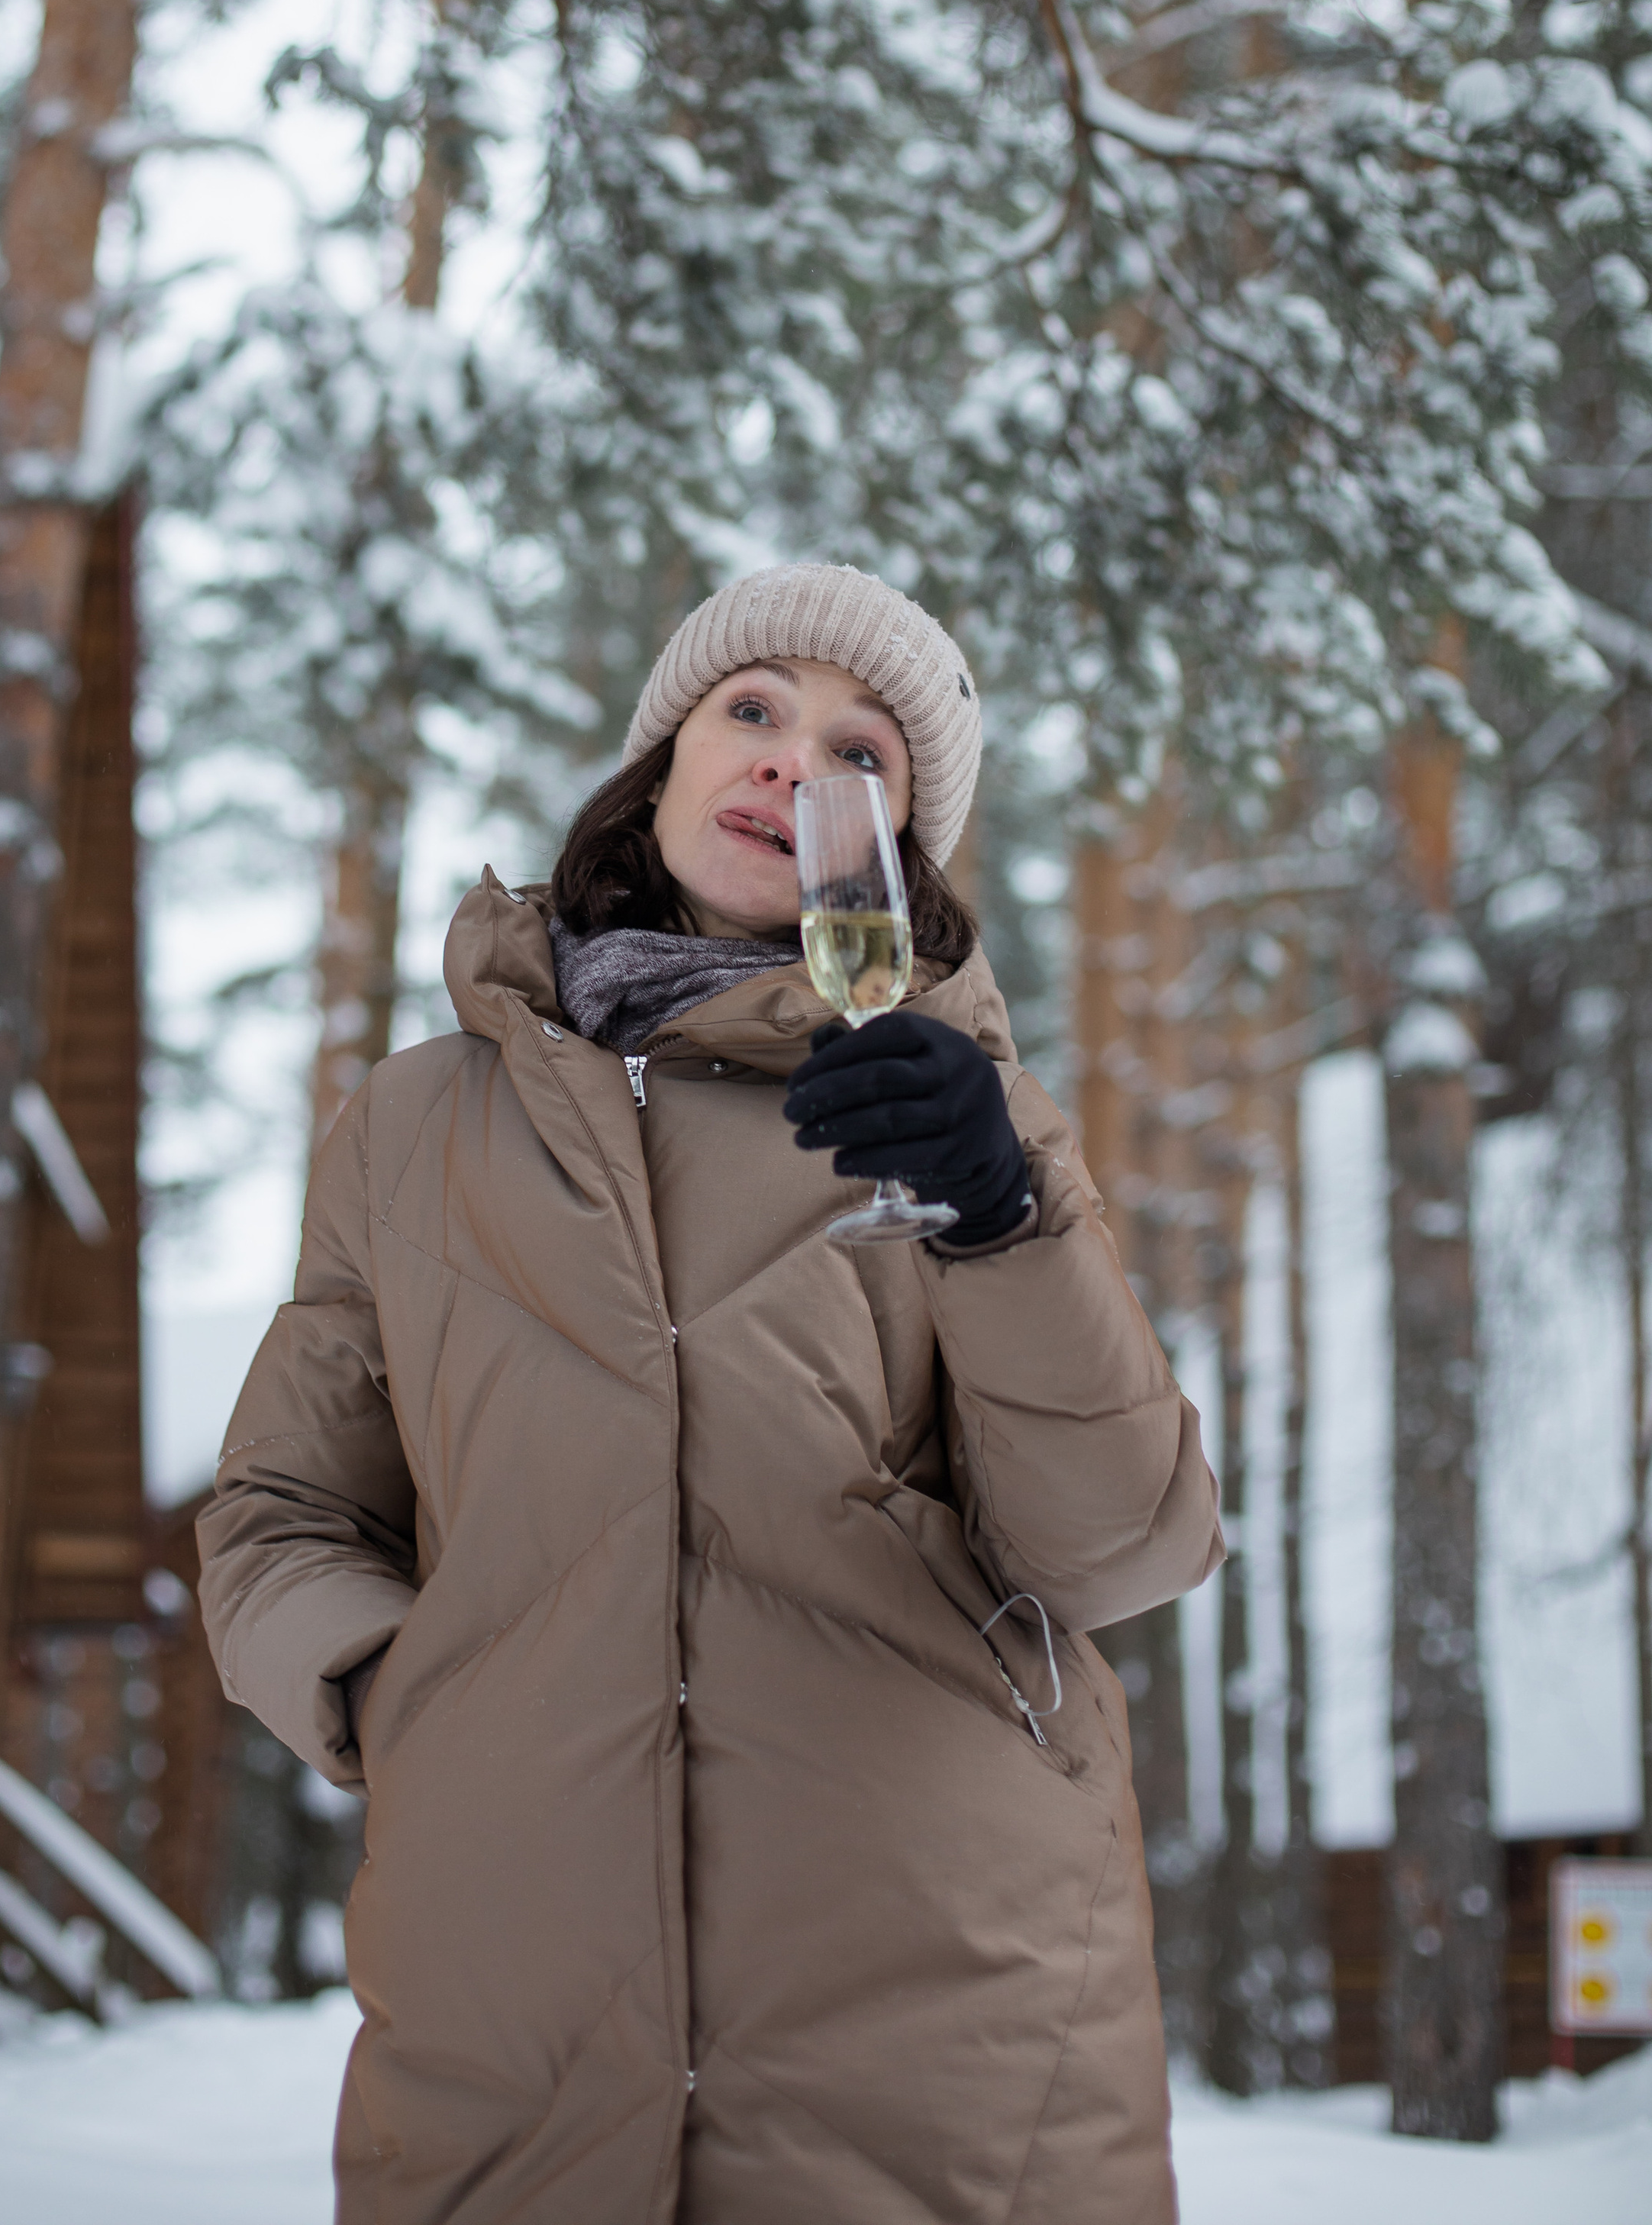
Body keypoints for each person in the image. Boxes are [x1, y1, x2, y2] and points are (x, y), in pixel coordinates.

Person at [199, 562, 1222, 2225]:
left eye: (859, 754)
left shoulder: (982, 1133)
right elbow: (280, 1514)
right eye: (749, 711)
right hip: (505, 2007)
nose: (789, 765)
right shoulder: (411, 1129)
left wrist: (999, 1228)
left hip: (946, 2003)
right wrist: (417, 1698)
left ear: (895, 852)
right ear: (657, 764)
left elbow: (1116, 1553)